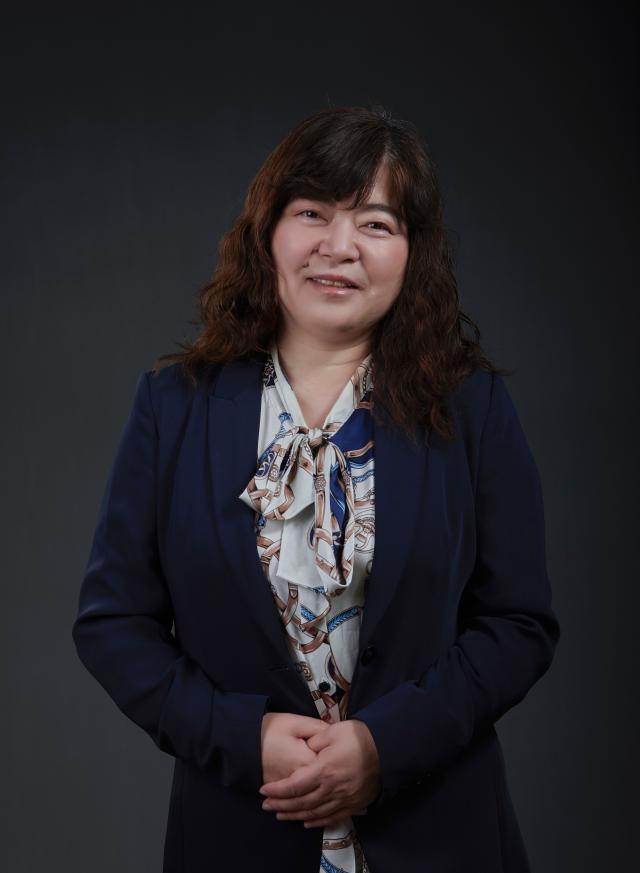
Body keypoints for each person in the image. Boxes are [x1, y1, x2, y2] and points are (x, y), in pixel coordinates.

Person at [72, 104, 561, 872]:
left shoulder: (473, 409)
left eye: (375, 223)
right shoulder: (175, 406)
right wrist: (243, 737)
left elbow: (518, 622)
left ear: (412, 252)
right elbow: (112, 624)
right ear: (268, 231)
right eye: (312, 213)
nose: (339, 246)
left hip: (442, 833)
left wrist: (388, 744)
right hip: (237, 834)